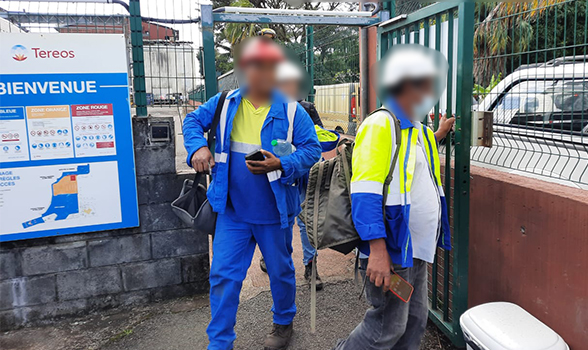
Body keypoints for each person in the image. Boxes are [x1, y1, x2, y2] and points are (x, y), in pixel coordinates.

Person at [183, 37, 322, 350]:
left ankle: (283, 321)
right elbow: (192, 121)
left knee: (280, 271)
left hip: (273, 213)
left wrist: (282, 163)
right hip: (231, 211)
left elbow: (312, 150)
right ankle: (219, 342)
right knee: (223, 278)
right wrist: (198, 146)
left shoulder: (291, 111)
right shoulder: (224, 103)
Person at [333, 44, 454, 350]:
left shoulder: (419, 130)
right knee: (387, 326)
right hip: (391, 247)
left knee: (414, 321)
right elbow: (366, 190)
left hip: (415, 248)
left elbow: (413, 166)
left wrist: (439, 132)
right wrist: (376, 250)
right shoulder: (381, 124)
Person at [259, 60, 339, 290]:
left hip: (302, 174)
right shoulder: (265, 109)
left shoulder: (305, 109)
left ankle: (310, 266)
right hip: (273, 177)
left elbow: (318, 139)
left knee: (304, 221)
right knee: (272, 219)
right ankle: (270, 256)